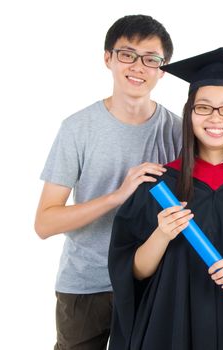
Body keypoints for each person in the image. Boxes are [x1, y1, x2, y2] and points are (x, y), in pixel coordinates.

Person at [108, 47, 223, 350]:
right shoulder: (157, 184)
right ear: (190, 113)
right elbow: (132, 271)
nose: (215, 118)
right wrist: (162, 234)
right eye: (203, 107)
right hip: (169, 329)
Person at [34, 14, 182, 350]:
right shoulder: (78, 128)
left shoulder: (177, 130)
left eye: (151, 59)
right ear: (108, 59)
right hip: (86, 285)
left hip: (150, 281)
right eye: (127, 54)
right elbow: (44, 223)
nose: (138, 67)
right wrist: (117, 196)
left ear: (163, 69)